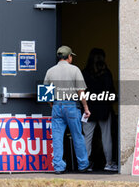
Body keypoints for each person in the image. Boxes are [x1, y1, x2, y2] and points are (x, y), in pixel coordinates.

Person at [44, 45, 92, 174]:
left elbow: (45, 94)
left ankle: (58, 166)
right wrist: (86, 108)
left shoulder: (50, 71)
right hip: (72, 106)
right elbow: (80, 91)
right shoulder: (75, 70)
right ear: (69, 57)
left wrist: (53, 105)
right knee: (77, 135)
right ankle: (82, 165)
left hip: (57, 106)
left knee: (57, 137)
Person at [82, 48, 118, 171]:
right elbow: (111, 92)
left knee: (87, 137)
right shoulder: (106, 73)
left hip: (88, 109)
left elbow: (81, 92)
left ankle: (85, 164)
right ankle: (108, 163)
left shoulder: (84, 73)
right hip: (104, 109)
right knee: (106, 137)